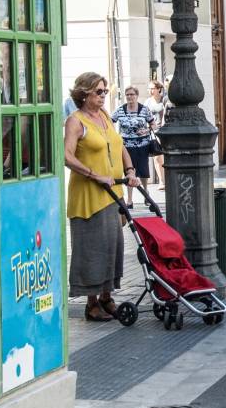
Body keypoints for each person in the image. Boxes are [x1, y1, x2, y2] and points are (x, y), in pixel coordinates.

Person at [64, 72, 141, 322]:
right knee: (92, 250)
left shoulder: (105, 117)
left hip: (113, 193)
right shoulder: (75, 121)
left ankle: (107, 297)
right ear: (84, 93)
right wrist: (93, 174)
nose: (103, 96)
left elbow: (119, 146)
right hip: (89, 195)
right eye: (99, 92)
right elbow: (66, 156)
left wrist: (129, 170)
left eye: (105, 91)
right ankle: (91, 303)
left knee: (112, 248)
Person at [111, 86, 155, 208]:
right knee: (129, 171)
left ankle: (146, 194)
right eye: (127, 95)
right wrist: (115, 136)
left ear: (136, 95)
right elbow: (110, 121)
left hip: (142, 145)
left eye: (132, 94)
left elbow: (153, 123)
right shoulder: (120, 110)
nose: (130, 97)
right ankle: (129, 200)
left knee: (143, 171)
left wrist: (146, 130)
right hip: (126, 147)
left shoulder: (144, 109)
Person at [144, 80, 167, 189]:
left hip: (165, 131)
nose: (150, 90)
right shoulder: (148, 101)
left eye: (152, 88)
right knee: (157, 157)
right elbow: (144, 115)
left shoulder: (164, 99)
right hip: (153, 131)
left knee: (167, 156)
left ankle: (168, 179)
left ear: (159, 89)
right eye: (149, 88)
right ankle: (162, 182)